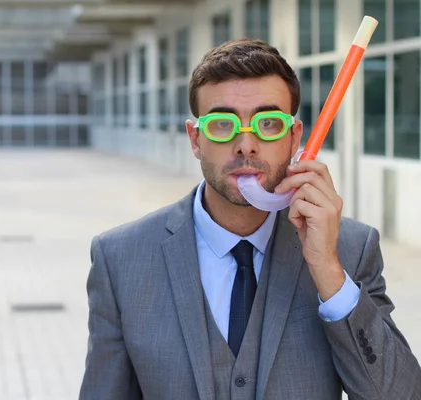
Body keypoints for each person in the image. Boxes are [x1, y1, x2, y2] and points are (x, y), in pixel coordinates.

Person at [78, 38, 421, 400]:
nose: (246, 143)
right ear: (195, 139)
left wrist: (329, 273)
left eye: (268, 123)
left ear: (294, 138)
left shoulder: (350, 249)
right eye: (222, 125)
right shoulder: (120, 258)